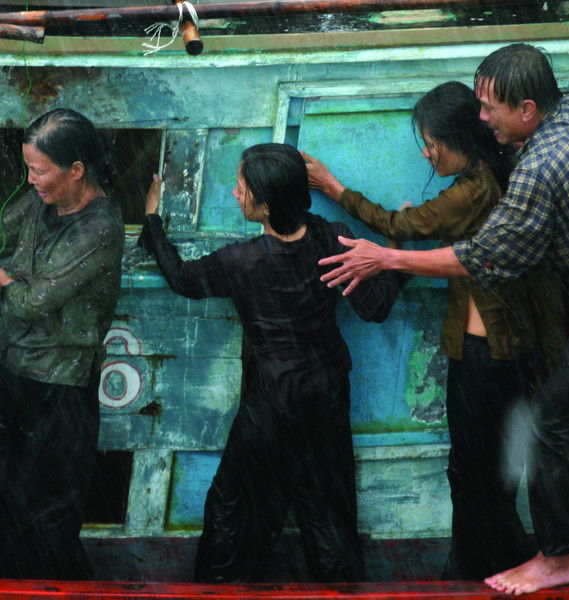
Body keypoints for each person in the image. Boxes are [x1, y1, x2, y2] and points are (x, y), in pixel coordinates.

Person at [317, 43, 569, 595]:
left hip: (523, 340)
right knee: (492, 467)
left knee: (514, 452)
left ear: (527, 109)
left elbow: (482, 255)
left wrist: (384, 253)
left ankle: (548, 559)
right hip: (539, 331)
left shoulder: (527, 172)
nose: (482, 115)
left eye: (489, 107)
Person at [139, 142, 402, 583]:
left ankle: (223, 591)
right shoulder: (331, 238)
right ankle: (339, 590)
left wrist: (152, 222)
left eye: (242, 189)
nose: (234, 194)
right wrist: (394, 253)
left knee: (234, 510)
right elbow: (375, 308)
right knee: (327, 513)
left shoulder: (241, 262)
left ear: (265, 206)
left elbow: (182, 278)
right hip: (325, 398)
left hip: (270, 404)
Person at [0, 108, 124, 579]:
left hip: (61, 381)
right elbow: (9, 232)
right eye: (28, 168)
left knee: (50, 507)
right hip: (15, 364)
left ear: (76, 170)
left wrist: (6, 279)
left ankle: (51, 587)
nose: (30, 180)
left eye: (39, 170)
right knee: (11, 497)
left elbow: (33, 301)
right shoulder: (42, 201)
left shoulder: (99, 227)